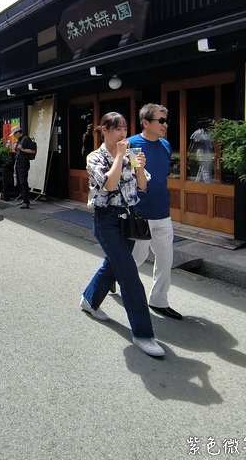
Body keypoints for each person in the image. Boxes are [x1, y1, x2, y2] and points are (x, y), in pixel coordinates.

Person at [81, 111, 165, 358]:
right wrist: (119, 156)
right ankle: (143, 334)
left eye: (125, 129)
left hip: (127, 219)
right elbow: (108, 184)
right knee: (129, 275)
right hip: (105, 220)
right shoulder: (94, 157)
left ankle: (89, 299)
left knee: (112, 266)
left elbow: (143, 186)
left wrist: (139, 166)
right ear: (104, 130)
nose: (123, 133)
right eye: (117, 129)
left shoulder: (129, 155)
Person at [128, 103, 183, 320]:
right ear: (146, 123)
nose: (165, 124)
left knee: (165, 257)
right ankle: (115, 277)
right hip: (140, 211)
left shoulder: (166, 145)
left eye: (166, 120)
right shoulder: (132, 144)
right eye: (161, 120)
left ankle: (159, 300)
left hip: (162, 209)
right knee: (137, 257)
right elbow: (132, 177)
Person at [13, 126, 36, 209]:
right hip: (18, 162)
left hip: (24, 163)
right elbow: (17, 153)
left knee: (23, 182)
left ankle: (26, 201)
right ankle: (23, 198)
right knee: (19, 182)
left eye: (14, 134)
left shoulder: (26, 139)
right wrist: (15, 164)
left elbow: (33, 151)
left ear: (18, 133)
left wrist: (23, 149)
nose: (14, 136)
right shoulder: (19, 140)